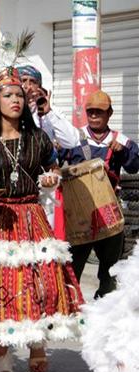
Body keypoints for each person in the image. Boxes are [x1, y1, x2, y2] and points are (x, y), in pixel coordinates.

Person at [0, 67, 84, 372]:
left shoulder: (37, 138)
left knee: (41, 283)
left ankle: (37, 343)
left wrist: (51, 178)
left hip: (32, 217)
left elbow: (54, 169)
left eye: (19, 95)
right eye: (8, 95)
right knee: (1, 289)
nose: (16, 100)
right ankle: (1, 362)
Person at [60, 90, 139, 298]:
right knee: (72, 269)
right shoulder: (74, 138)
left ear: (109, 113)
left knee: (110, 271)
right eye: (91, 111)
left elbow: (134, 167)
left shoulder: (120, 140)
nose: (94, 115)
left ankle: (104, 314)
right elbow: (53, 161)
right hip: (79, 216)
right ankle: (71, 312)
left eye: (99, 112)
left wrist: (122, 152)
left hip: (109, 216)